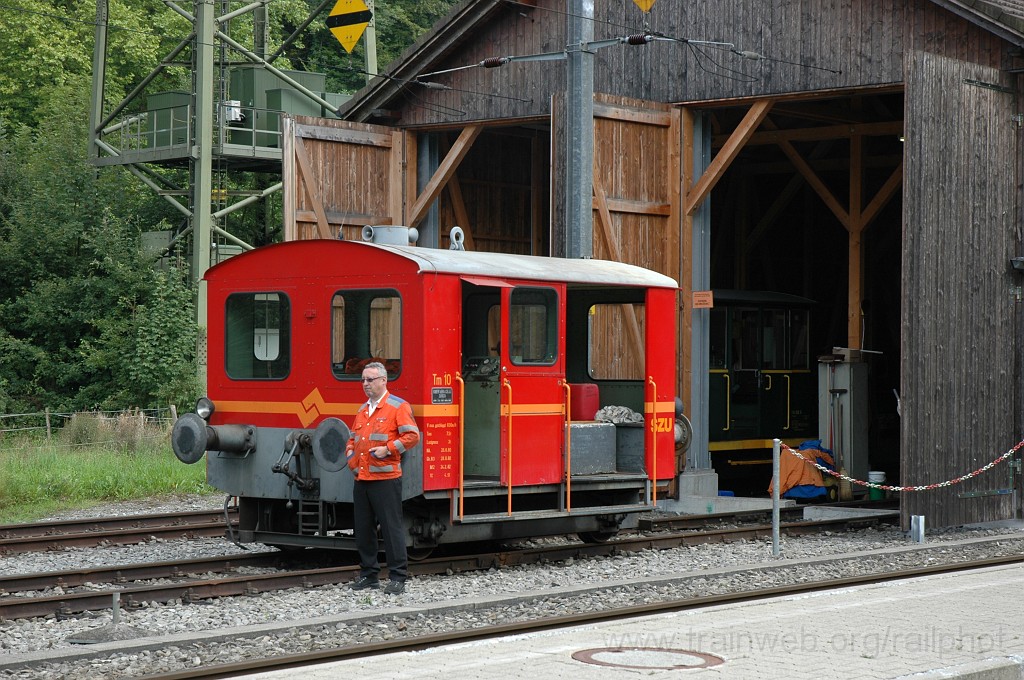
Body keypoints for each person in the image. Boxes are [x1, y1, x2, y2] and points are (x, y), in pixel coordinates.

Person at [345, 361, 420, 595]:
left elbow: (412, 435)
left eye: (370, 380)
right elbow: (352, 439)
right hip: (363, 479)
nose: (365, 384)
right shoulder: (362, 410)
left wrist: (388, 449)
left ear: (383, 381)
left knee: (391, 529)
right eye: (363, 380)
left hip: (386, 480)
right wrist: (351, 460)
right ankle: (369, 574)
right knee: (363, 529)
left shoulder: (398, 406)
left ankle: (398, 577)